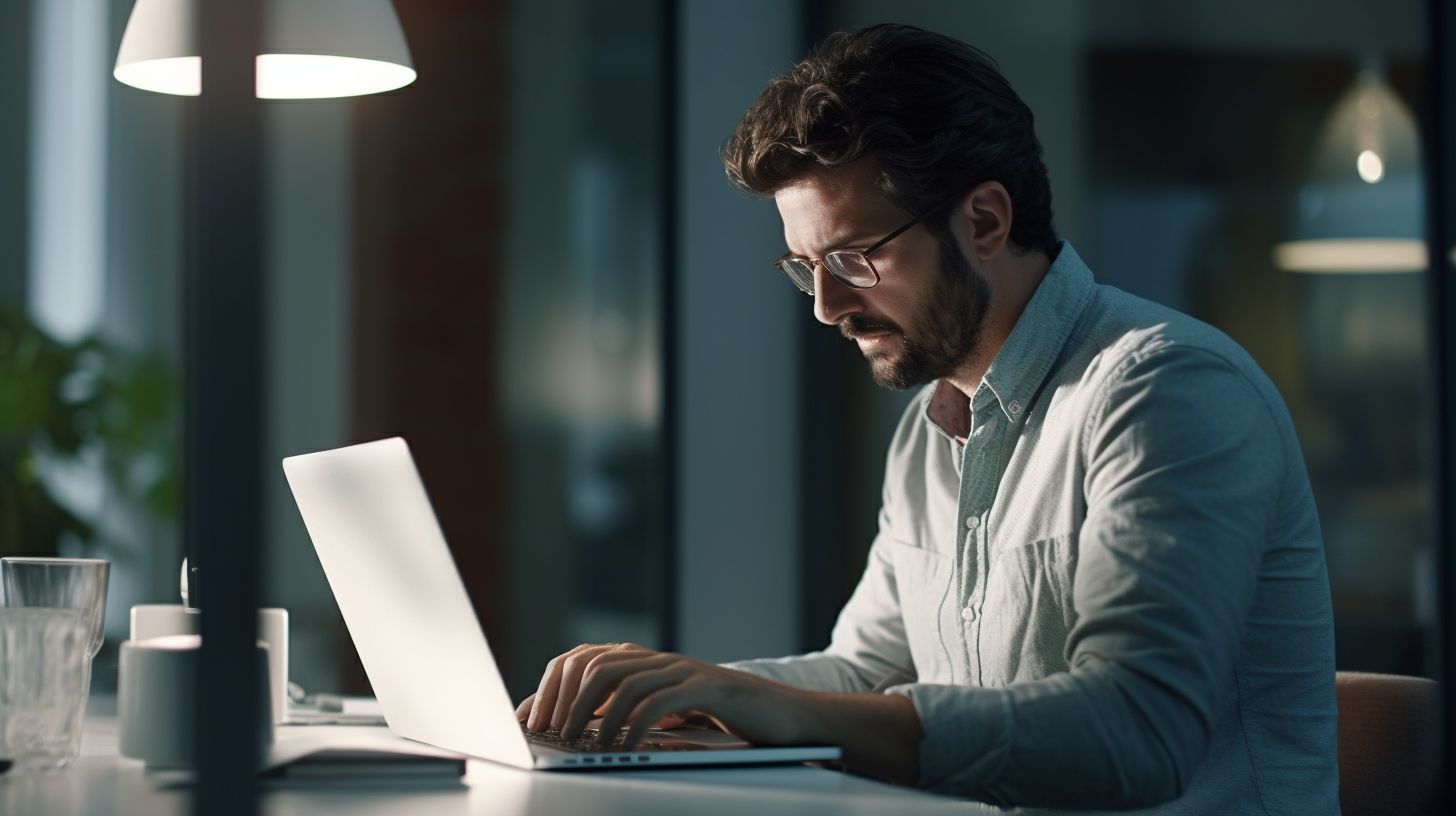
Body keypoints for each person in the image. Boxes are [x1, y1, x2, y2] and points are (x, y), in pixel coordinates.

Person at [516, 23, 1338, 813]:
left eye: (854, 258)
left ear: (984, 220)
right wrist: (681, 693)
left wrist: (754, 704)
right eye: (806, 270)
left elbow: (1139, 734)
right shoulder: (929, 428)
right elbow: (867, 672)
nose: (828, 307)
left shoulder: (1166, 390)